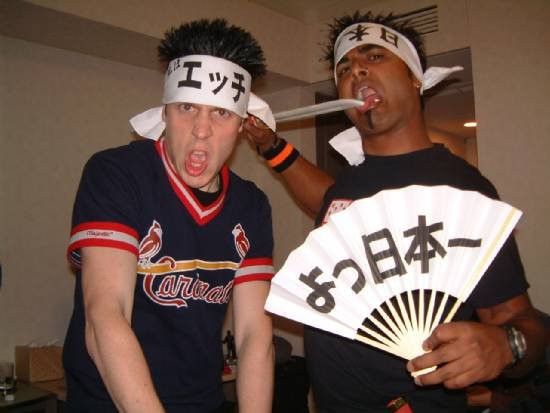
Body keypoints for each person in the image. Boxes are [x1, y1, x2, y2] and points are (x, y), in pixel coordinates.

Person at [244, 11, 545, 413]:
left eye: (374, 57)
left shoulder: (462, 189)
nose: (356, 71)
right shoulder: (349, 184)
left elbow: (521, 319)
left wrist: (508, 344)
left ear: (416, 78)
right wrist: (270, 146)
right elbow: (327, 201)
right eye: (344, 68)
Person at [63, 19, 274, 413]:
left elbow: (253, 334)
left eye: (221, 113)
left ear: (242, 126)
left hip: (203, 401)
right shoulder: (117, 174)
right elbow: (105, 314)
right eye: (187, 107)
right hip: (109, 402)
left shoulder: (251, 205)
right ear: (165, 111)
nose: (201, 130)